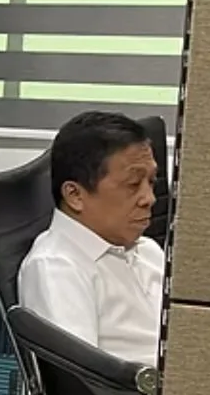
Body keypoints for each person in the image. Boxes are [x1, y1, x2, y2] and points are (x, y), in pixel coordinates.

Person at [19, 111, 164, 365]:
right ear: (75, 195)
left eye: (151, 182)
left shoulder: (148, 250)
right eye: (133, 184)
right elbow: (81, 380)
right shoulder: (57, 268)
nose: (149, 198)